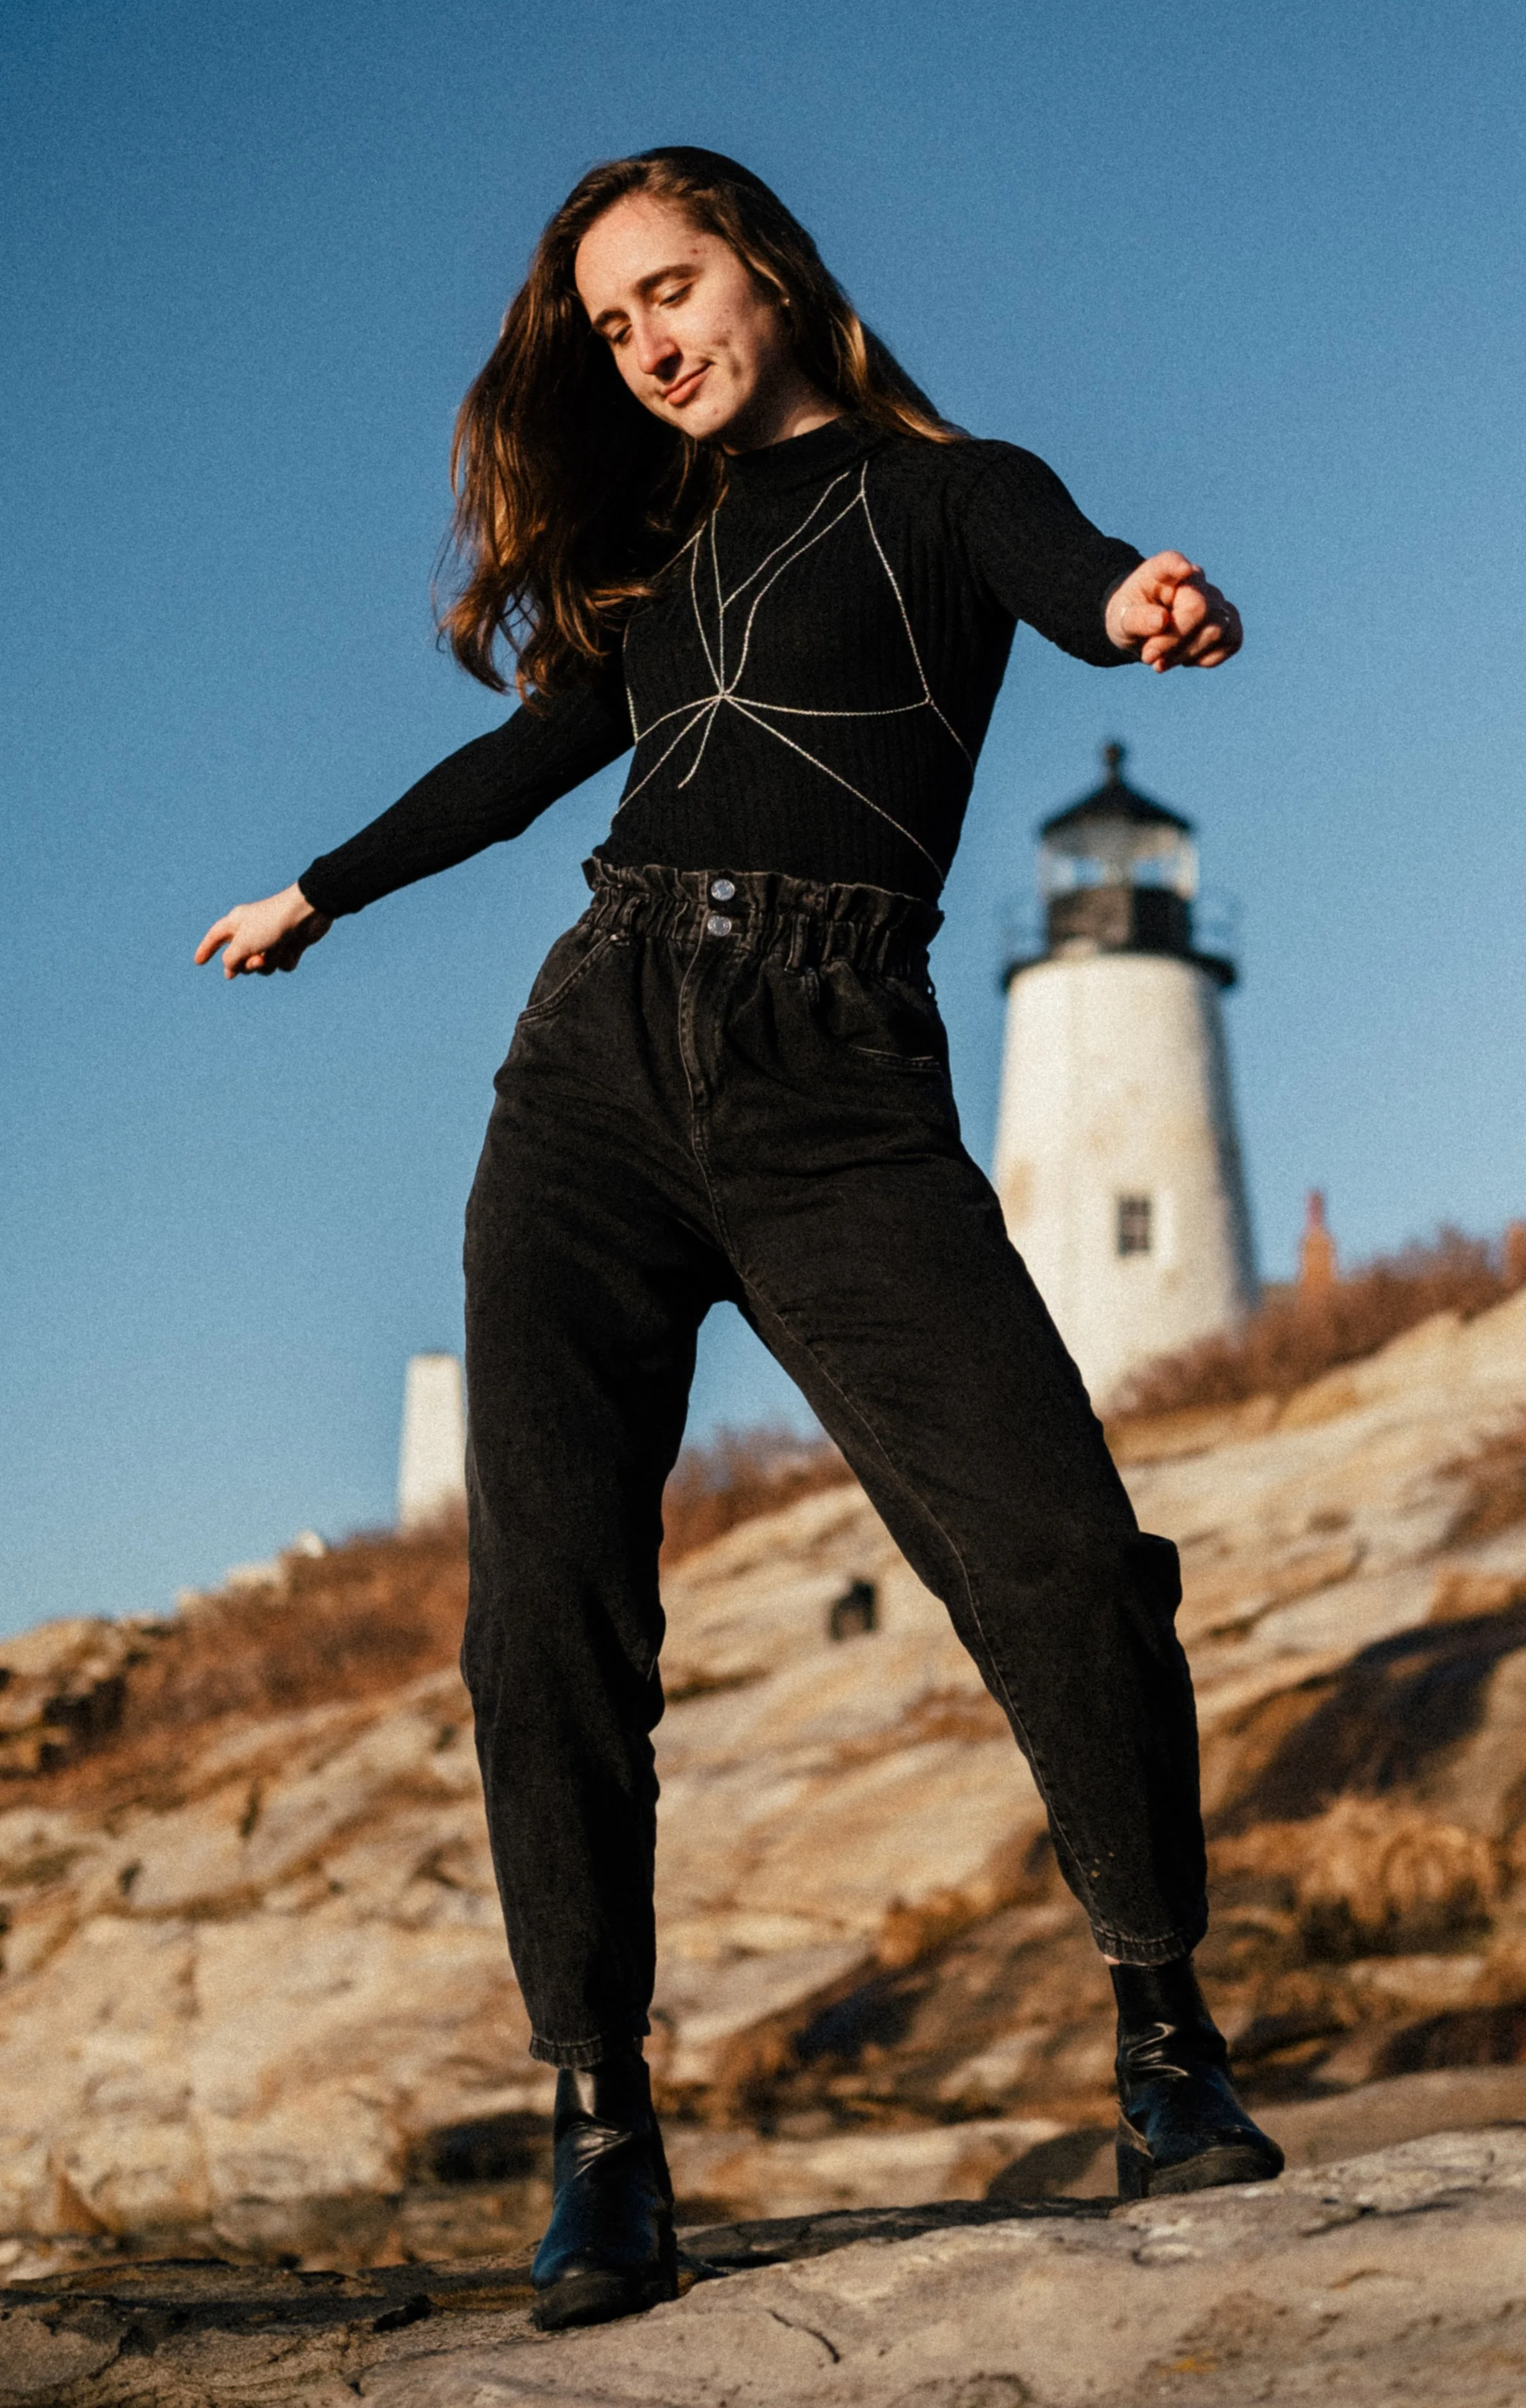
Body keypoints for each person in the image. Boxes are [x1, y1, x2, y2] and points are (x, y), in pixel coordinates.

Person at [197, 146, 1281, 2330]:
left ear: (770, 273)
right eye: (612, 325)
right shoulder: (667, 558)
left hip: (831, 1078)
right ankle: (604, 2133)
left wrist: (1144, 601)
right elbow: (521, 770)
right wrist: (317, 888)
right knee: (549, 1620)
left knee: (1058, 1552)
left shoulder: (953, 489)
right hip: (592, 1075)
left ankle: (1161, 2032)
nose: (652, 341)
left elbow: (1071, 570)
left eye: (673, 288)